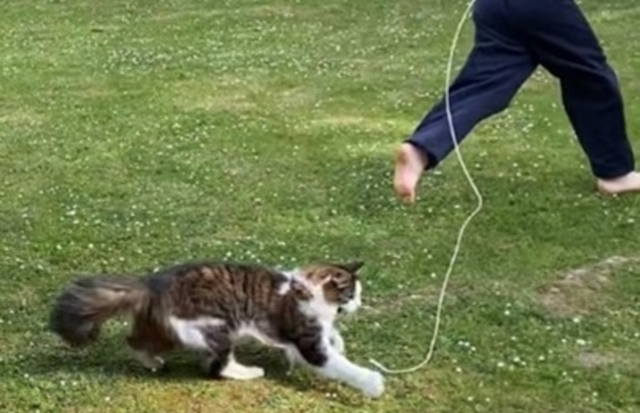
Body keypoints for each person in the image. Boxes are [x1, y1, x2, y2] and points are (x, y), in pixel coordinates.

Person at [393, 0, 640, 203]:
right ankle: (615, 172)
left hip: (493, 6)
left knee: (486, 83)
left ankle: (421, 149)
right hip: (540, 6)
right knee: (591, 79)